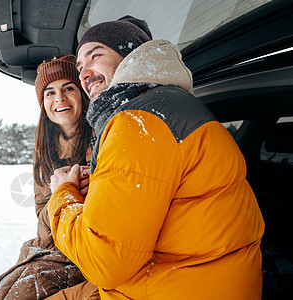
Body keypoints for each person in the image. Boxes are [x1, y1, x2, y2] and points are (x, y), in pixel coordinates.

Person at [47, 16, 265, 299]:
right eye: (79, 68)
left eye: (95, 56)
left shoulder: (138, 123)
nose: (85, 74)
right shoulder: (168, 106)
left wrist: (62, 195)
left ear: (130, 56)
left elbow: (104, 263)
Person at [0, 55, 98, 300]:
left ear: (82, 94)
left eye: (68, 88)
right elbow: (43, 218)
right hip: (55, 243)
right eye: (50, 93)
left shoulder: (102, 137)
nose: (60, 99)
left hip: (89, 247)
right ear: (43, 103)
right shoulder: (44, 153)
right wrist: (61, 193)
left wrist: (76, 191)